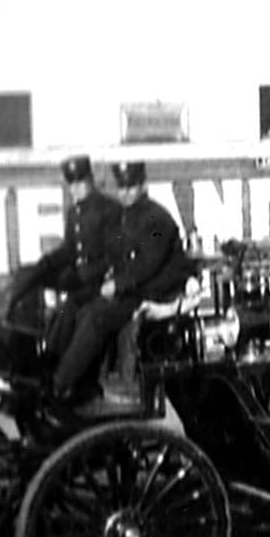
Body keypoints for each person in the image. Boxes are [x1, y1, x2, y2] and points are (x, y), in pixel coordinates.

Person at [50, 160, 195, 412]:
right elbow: (113, 256)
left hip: (156, 290)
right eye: (122, 187)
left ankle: (61, 383)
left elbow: (148, 265)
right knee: (77, 306)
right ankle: (70, 377)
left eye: (131, 187)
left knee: (97, 316)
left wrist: (117, 284)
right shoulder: (123, 218)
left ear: (143, 185)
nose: (125, 193)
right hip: (134, 288)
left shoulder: (157, 217)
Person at [7, 155, 121, 360]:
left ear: (90, 181)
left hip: (98, 280)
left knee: (68, 309)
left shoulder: (109, 210)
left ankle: (52, 357)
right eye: (72, 184)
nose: (75, 189)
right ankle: (18, 336)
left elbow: (115, 255)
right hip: (78, 277)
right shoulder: (74, 212)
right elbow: (70, 249)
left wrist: (88, 273)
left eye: (80, 183)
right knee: (29, 276)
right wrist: (46, 264)